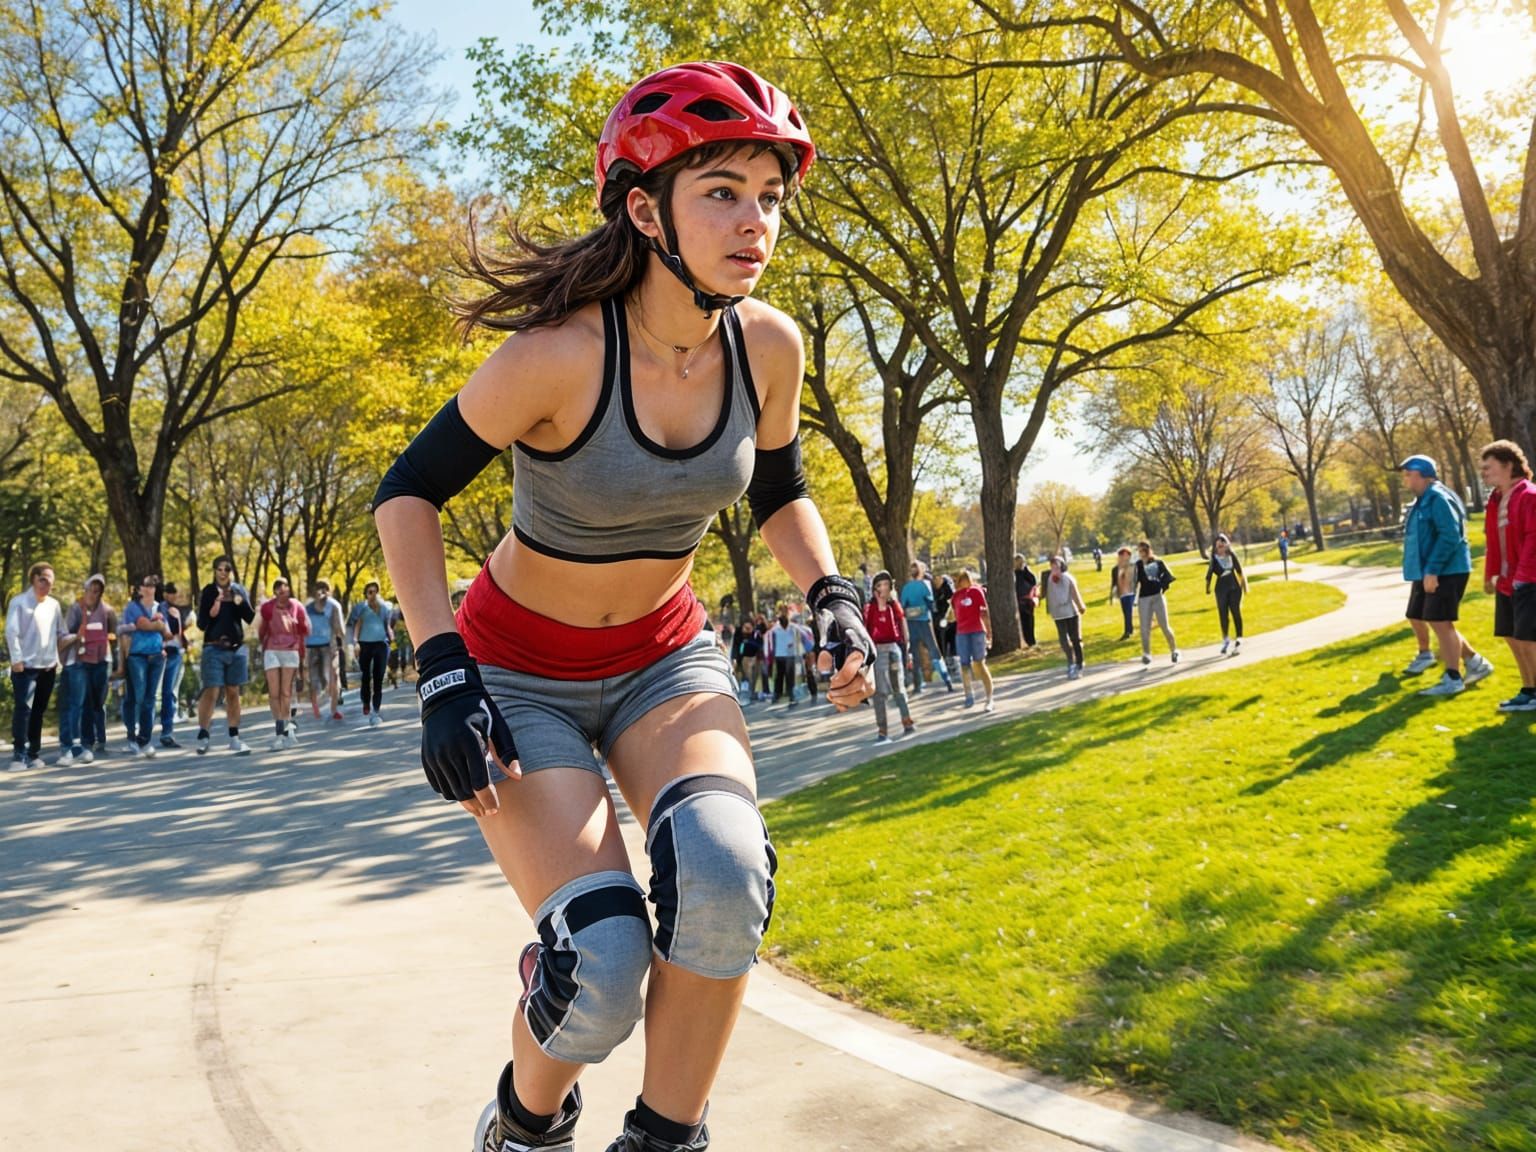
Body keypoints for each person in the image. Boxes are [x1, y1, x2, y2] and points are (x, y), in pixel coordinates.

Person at [370, 60, 873, 1152]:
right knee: (600, 961)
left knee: (729, 875)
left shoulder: (770, 346)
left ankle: (666, 1138)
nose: (757, 222)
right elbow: (405, 494)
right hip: (513, 674)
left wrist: (828, 591)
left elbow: (779, 487)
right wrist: (441, 670)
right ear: (646, 211)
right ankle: (524, 1120)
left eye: (771, 196)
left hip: (664, 663)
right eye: (723, 193)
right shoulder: (556, 357)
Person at [1397, 454, 1493, 696]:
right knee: (1437, 620)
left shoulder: (1438, 498)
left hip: (1447, 570)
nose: (1406, 480)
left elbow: (1451, 535)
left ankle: (1453, 677)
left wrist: (1433, 570)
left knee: (1441, 622)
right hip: (1433, 570)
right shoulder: (1423, 499)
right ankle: (1475, 663)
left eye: (1409, 475)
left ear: (1422, 475)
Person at [1479, 441, 1536, 710]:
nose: (1484, 473)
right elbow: (1493, 540)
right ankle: (1528, 690)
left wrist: (1522, 577)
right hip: (1506, 582)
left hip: (1528, 580)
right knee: (1512, 637)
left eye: (1488, 467)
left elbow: (1533, 539)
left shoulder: (1529, 496)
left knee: (1527, 638)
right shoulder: (1496, 500)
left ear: (1508, 465)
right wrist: (1490, 575)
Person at [6, 562, 67, 770]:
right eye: (43, 580)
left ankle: (34, 753)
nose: (47, 584)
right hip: (25, 667)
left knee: (38, 711)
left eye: (50, 581)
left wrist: (59, 657)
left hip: (47, 667)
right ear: (34, 579)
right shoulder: (19, 602)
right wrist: (16, 660)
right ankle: (18, 755)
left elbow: (61, 633)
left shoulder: (54, 605)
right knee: (24, 709)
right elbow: (11, 632)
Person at [194, 555, 254, 756]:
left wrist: (240, 603)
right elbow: (201, 624)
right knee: (211, 691)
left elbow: (250, 617)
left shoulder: (238, 590)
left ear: (231, 572)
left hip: (236, 649)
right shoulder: (209, 592)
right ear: (214, 571)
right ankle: (203, 735)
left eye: (227, 569)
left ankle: (234, 737)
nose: (223, 573)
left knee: (233, 692)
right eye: (219, 569)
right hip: (213, 648)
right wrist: (213, 608)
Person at [58, 574, 114, 765]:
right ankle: (69, 747)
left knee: (92, 704)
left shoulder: (107, 610)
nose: (92, 594)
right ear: (85, 589)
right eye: (90, 589)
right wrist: (78, 635)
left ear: (100, 593)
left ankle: (86, 745)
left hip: (99, 661)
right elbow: (64, 635)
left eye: (96, 591)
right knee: (76, 703)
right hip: (79, 661)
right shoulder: (76, 608)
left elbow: (114, 634)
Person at [121, 574, 170, 758]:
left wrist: (160, 624)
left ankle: (145, 739)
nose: (150, 588)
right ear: (139, 588)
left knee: (150, 698)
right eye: (146, 585)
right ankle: (132, 737)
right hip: (137, 657)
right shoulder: (133, 607)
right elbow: (142, 625)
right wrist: (155, 624)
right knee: (138, 697)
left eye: (153, 585)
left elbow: (167, 633)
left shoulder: (161, 607)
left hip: (156, 656)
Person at [862, 569, 915, 741]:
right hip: (877, 651)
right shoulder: (870, 608)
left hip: (893, 649)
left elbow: (903, 627)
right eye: (879, 585)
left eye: (886, 585)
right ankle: (882, 729)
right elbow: (867, 629)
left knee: (898, 688)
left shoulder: (895, 606)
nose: (883, 588)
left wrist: (907, 648)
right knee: (879, 693)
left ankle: (907, 720)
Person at [258, 577, 309, 750]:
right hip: (272, 650)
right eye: (278, 589)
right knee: (274, 693)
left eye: (285, 588)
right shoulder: (267, 607)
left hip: (291, 651)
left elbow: (303, 630)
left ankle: (288, 730)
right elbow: (262, 629)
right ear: (274, 592)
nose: (282, 591)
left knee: (286, 692)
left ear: (289, 590)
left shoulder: (296, 606)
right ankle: (279, 731)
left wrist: (302, 654)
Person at [899, 561, 954, 694]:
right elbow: (930, 603)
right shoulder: (925, 585)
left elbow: (903, 605)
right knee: (935, 652)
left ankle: (918, 685)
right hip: (925, 622)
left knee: (915, 654)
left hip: (912, 623)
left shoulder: (906, 587)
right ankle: (947, 682)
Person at [348, 580, 393, 727]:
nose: (373, 595)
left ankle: (376, 710)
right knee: (366, 676)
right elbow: (357, 626)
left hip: (381, 644)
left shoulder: (384, 608)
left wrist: (391, 636)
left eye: (375, 592)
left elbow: (387, 624)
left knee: (378, 678)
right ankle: (366, 702)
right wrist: (355, 642)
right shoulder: (362, 608)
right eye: (370, 592)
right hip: (365, 645)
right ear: (366, 594)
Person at [951, 568, 994, 711]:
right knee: (964, 665)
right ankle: (968, 694)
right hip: (962, 632)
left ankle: (989, 697)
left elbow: (984, 612)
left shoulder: (976, 591)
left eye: (967, 578)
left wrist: (989, 632)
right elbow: (955, 614)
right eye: (962, 579)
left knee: (980, 663)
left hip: (976, 630)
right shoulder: (955, 597)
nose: (965, 582)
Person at [305, 580, 346, 720]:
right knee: (314, 679)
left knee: (333, 677)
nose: (320, 592)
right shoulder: (308, 607)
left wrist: (343, 645)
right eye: (318, 589)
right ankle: (316, 707)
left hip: (329, 646)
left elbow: (339, 628)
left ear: (328, 591)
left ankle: (333, 709)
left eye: (323, 589)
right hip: (311, 647)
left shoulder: (333, 606)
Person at [1133, 541, 1179, 665]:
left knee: (1164, 625)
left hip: (1157, 597)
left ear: (1149, 550)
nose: (1142, 553)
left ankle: (1174, 650)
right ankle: (1146, 654)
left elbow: (1169, 577)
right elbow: (1135, 582)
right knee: (1145, 628)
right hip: (1144, 599)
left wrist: (1162, 587)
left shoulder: (1158, 563)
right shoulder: (1138, 565)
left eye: (1144, 550)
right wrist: (1134, 598)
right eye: (1140, 551)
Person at [1043, 555, 1087, 679]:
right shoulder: (1050, 579)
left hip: (1071, 612)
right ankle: (1070, 661)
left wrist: (1080, 606)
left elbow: (1074, 593)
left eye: (1057, 567)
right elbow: (1048, 595)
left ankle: (1079, 662)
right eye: (1052, 567)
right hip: (1058, 614)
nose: (1054, 570)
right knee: (1063, 640)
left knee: (1075, 639)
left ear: (1062, 567)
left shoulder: (1068, 578)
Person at [1205, 534, 1248, 655]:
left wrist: (1244, 586)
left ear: (1226, 545)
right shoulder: (1214, 558)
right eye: (1218, 546)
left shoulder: (1231, 555)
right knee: (1223, 614)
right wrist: (1207, 587)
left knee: (1235, 611)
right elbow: (1209, 574)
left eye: (1222, 544)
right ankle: (1226, 639)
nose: (1221, 548)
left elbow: (1239, 570)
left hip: (1234, 587)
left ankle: (1239, 637)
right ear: (1215, 547)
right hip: (1221, 589)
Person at [157, 581, 188, 747]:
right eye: (170, 592)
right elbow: (168, 632)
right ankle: (165, 731)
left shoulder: (176, 610)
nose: (172, 595)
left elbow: (180, 633)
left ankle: (168, 731)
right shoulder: (162, 608)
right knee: (166, 693)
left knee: (170, 693)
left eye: (174, 592)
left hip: (176, 652)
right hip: (166, 652)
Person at [766, 604, 802, 706]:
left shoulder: (792, 626)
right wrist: (771, 654)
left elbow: (797, 638)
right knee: (779, 675)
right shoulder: (775, 628)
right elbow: (771, 640)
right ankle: (777, 694)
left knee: (789, 675)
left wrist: (796, 649)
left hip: (790, 654)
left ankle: (791, 695)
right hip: (779, 654)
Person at [1012, 553, 1038, 650]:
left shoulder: (1024, 573)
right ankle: (1029, 640)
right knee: (1027, 622)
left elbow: (1033, 582)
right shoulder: (1019, 574)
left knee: (1027, 621)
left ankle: (1030, 640)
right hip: (1023, 601)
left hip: (1025, 601)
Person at [1109, 547, 1136, 640]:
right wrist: (1111, 596)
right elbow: (1113, 583)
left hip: (1131, 592)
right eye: (1122, 555)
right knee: (1126, 612)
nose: (1124, 557)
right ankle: (1130, 629)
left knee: (1128, 612)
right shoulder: (1115, 569)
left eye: (1126, 555)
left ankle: (1127, 632)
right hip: (1122, 593)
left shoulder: (1133, 567)